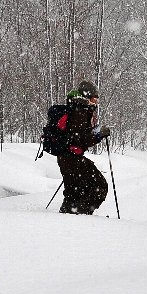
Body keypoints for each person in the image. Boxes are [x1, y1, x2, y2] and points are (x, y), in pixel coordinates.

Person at [56, 79, 110, 215]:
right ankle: (81, 215)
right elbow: (79, 139)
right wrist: (98, 135)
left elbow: (77, 135)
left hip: (67, 157)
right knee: (100, 186)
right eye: (94, 99)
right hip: (71, 158)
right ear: (87, 96)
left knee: (74, 192)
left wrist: (95, 132)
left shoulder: (78, 107)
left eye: (97, 99)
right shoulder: (79, 110)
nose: (96, 102)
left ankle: (69, 215)